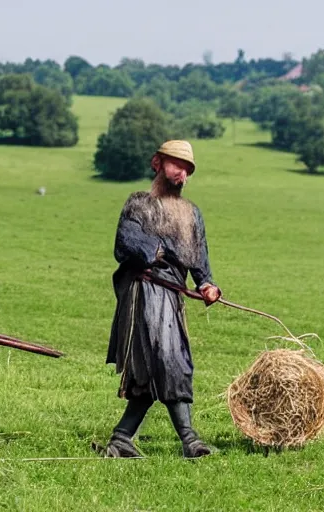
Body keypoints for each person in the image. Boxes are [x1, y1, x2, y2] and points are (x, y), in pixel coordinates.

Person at [101, 140, 222, 459]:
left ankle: (121, 438)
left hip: (172, 295)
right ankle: (190, 439)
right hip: (143, 292)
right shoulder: (138, 204)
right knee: (170, 359)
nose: (182, 173)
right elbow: (124, 245)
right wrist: (153, 252)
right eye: (176, 164)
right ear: (157, 163)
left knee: (153, 367)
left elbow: (199, 256)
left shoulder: (191, 213)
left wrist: (207, 283)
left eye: (187, 169)